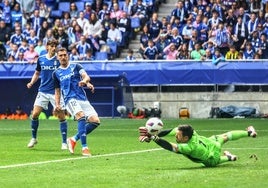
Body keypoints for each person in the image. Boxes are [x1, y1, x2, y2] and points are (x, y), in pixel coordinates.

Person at [53, 47, 101, 156]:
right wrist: (57, 104)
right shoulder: (56, 73)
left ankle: (73, 139)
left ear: (68, 55)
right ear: (57, 57)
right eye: (60, 55)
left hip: (82, 97)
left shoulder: (76, 66)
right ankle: (85, 148)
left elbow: (86, 76)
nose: (63, 57)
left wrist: (85, 82)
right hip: (70, 99)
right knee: (81, 116)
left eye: (65, 55)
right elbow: (57, 90)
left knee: (95, 121)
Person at [138, 123, 257, 167]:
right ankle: (249, 133)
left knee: (215, 161)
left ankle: (228, 157)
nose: (175, 136)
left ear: (185, 138)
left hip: (211, 157)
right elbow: (169, 132)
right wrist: (152, 134)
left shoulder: (190, 148)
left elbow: (171, 146)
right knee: (225, 137)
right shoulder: (191, 131)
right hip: (210, 143)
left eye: (178, 136)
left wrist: (154, 137)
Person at [26, 39, 68, 150]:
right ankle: (34, 138)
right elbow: (37, 73)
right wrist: (31, 82)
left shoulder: (59, 59)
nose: (54, 48)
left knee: (61, 116)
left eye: (55, 46)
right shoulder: (41, 59)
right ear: (47, 47)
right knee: (35, 114)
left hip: (56, 92)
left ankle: (64, 142)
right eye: (52, 46)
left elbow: (65, 71)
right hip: (43, 91)